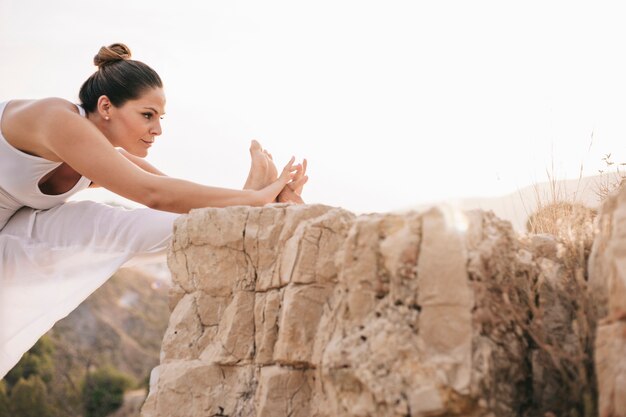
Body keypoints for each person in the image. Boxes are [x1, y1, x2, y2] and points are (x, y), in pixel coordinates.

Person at [0, 43, 308, 378]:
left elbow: (176, 195)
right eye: (147, 115)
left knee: (127, 227)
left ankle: (246, 208)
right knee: (147, 216)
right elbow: (154, 194)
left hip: (11, 228)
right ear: (106, 106)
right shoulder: (56, 120)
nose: (157, 130)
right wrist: (259, 198)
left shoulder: (100, 151)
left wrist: (250, 197)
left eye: (160, 118)